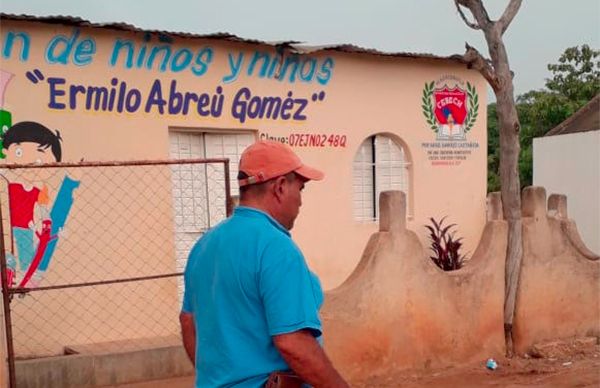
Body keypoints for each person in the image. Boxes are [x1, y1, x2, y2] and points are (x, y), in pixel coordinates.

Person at [179, 140, 349, 387]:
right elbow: (293, 342)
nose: (300, 201)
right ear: (280, 187)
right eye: (300, 189)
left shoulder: (204, 245)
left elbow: (188, 321)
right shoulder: (276, 248)